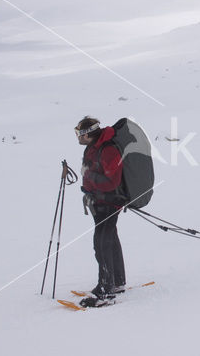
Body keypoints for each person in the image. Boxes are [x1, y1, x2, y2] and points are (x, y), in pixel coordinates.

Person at [75, 116, 126, 306]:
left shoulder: (108, 150)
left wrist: (89, 176)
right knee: (109, 239)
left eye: (79, 133)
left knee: (102, 242)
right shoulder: (93, 147)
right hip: (99, 202)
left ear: (88, 134)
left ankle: (106, 291)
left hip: (110, 202)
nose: (77, 137)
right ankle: (117, 282)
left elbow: (112, 182)